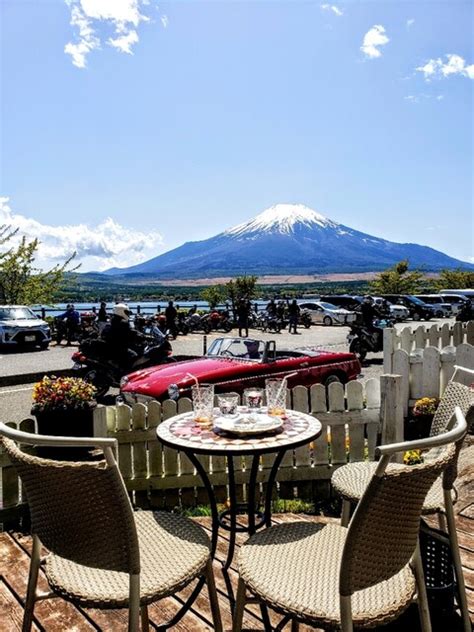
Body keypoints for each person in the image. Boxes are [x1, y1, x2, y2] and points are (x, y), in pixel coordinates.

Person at [102, 303, 142, 369]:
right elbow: (132, 332)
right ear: (121, 312)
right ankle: (128, 374)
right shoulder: (123, 322)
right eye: (126, 312)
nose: (127, 314)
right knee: (135, 356)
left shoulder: (112, 320)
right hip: (119, 348)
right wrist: (143, 336)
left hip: (111, 347)